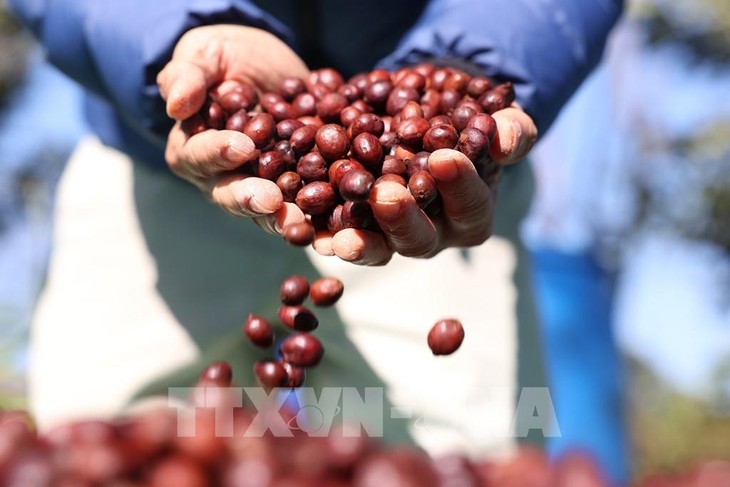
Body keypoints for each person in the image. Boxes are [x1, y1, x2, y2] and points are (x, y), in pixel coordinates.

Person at [7, 0, 623, 464]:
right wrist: (170, 35)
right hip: (150, 148)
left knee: (466, 456)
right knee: (103, 452)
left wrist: (481, 63)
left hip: (430, 201)